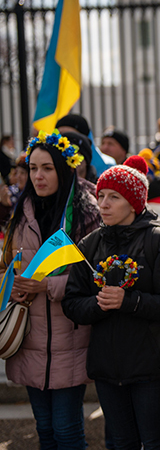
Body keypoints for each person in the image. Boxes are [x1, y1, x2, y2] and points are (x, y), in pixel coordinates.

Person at [61, 156, 160, 449]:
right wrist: (100, 304)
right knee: (122, 441)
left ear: (134, 202)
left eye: (114, 197)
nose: (103, 203)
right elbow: (71, 304)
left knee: (153, 440)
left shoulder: (159, 241)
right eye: (100, 195)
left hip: (152, 367)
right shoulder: (89, 244)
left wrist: (130, 301)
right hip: (107, 367)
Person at [1, 130, 101, 449]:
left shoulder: (86, 213)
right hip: (29, 337)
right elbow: (6, 265)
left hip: (70, 338)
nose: (38, 176)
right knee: (44, 429)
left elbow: (95, 277)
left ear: (63, 169)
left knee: (67, 429)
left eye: (47, 168)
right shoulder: (22, 212)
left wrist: (47, 285)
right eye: (32, 168)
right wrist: (11, 286)